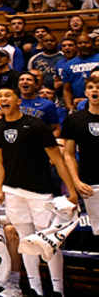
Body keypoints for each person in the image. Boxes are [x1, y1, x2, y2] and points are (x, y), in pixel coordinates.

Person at [0, 86, 82, 297]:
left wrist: (72, 191)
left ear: (18, 100)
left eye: (7, 95)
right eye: (0, 96)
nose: (3, 98)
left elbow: (57, 159)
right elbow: (1, 161)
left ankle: (57, 290)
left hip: (40, 191)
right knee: (25, 240)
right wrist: (0, 188)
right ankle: (34, 289)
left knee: (48, 242)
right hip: (13, 190)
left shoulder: (37, 125)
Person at [59, 72, 98, 232]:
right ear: (85, 92)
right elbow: (68, 154)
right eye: (90, 87)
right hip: (89, 182)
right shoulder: (74, 120)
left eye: (98, 87)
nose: (95, 90)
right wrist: (76, 182)